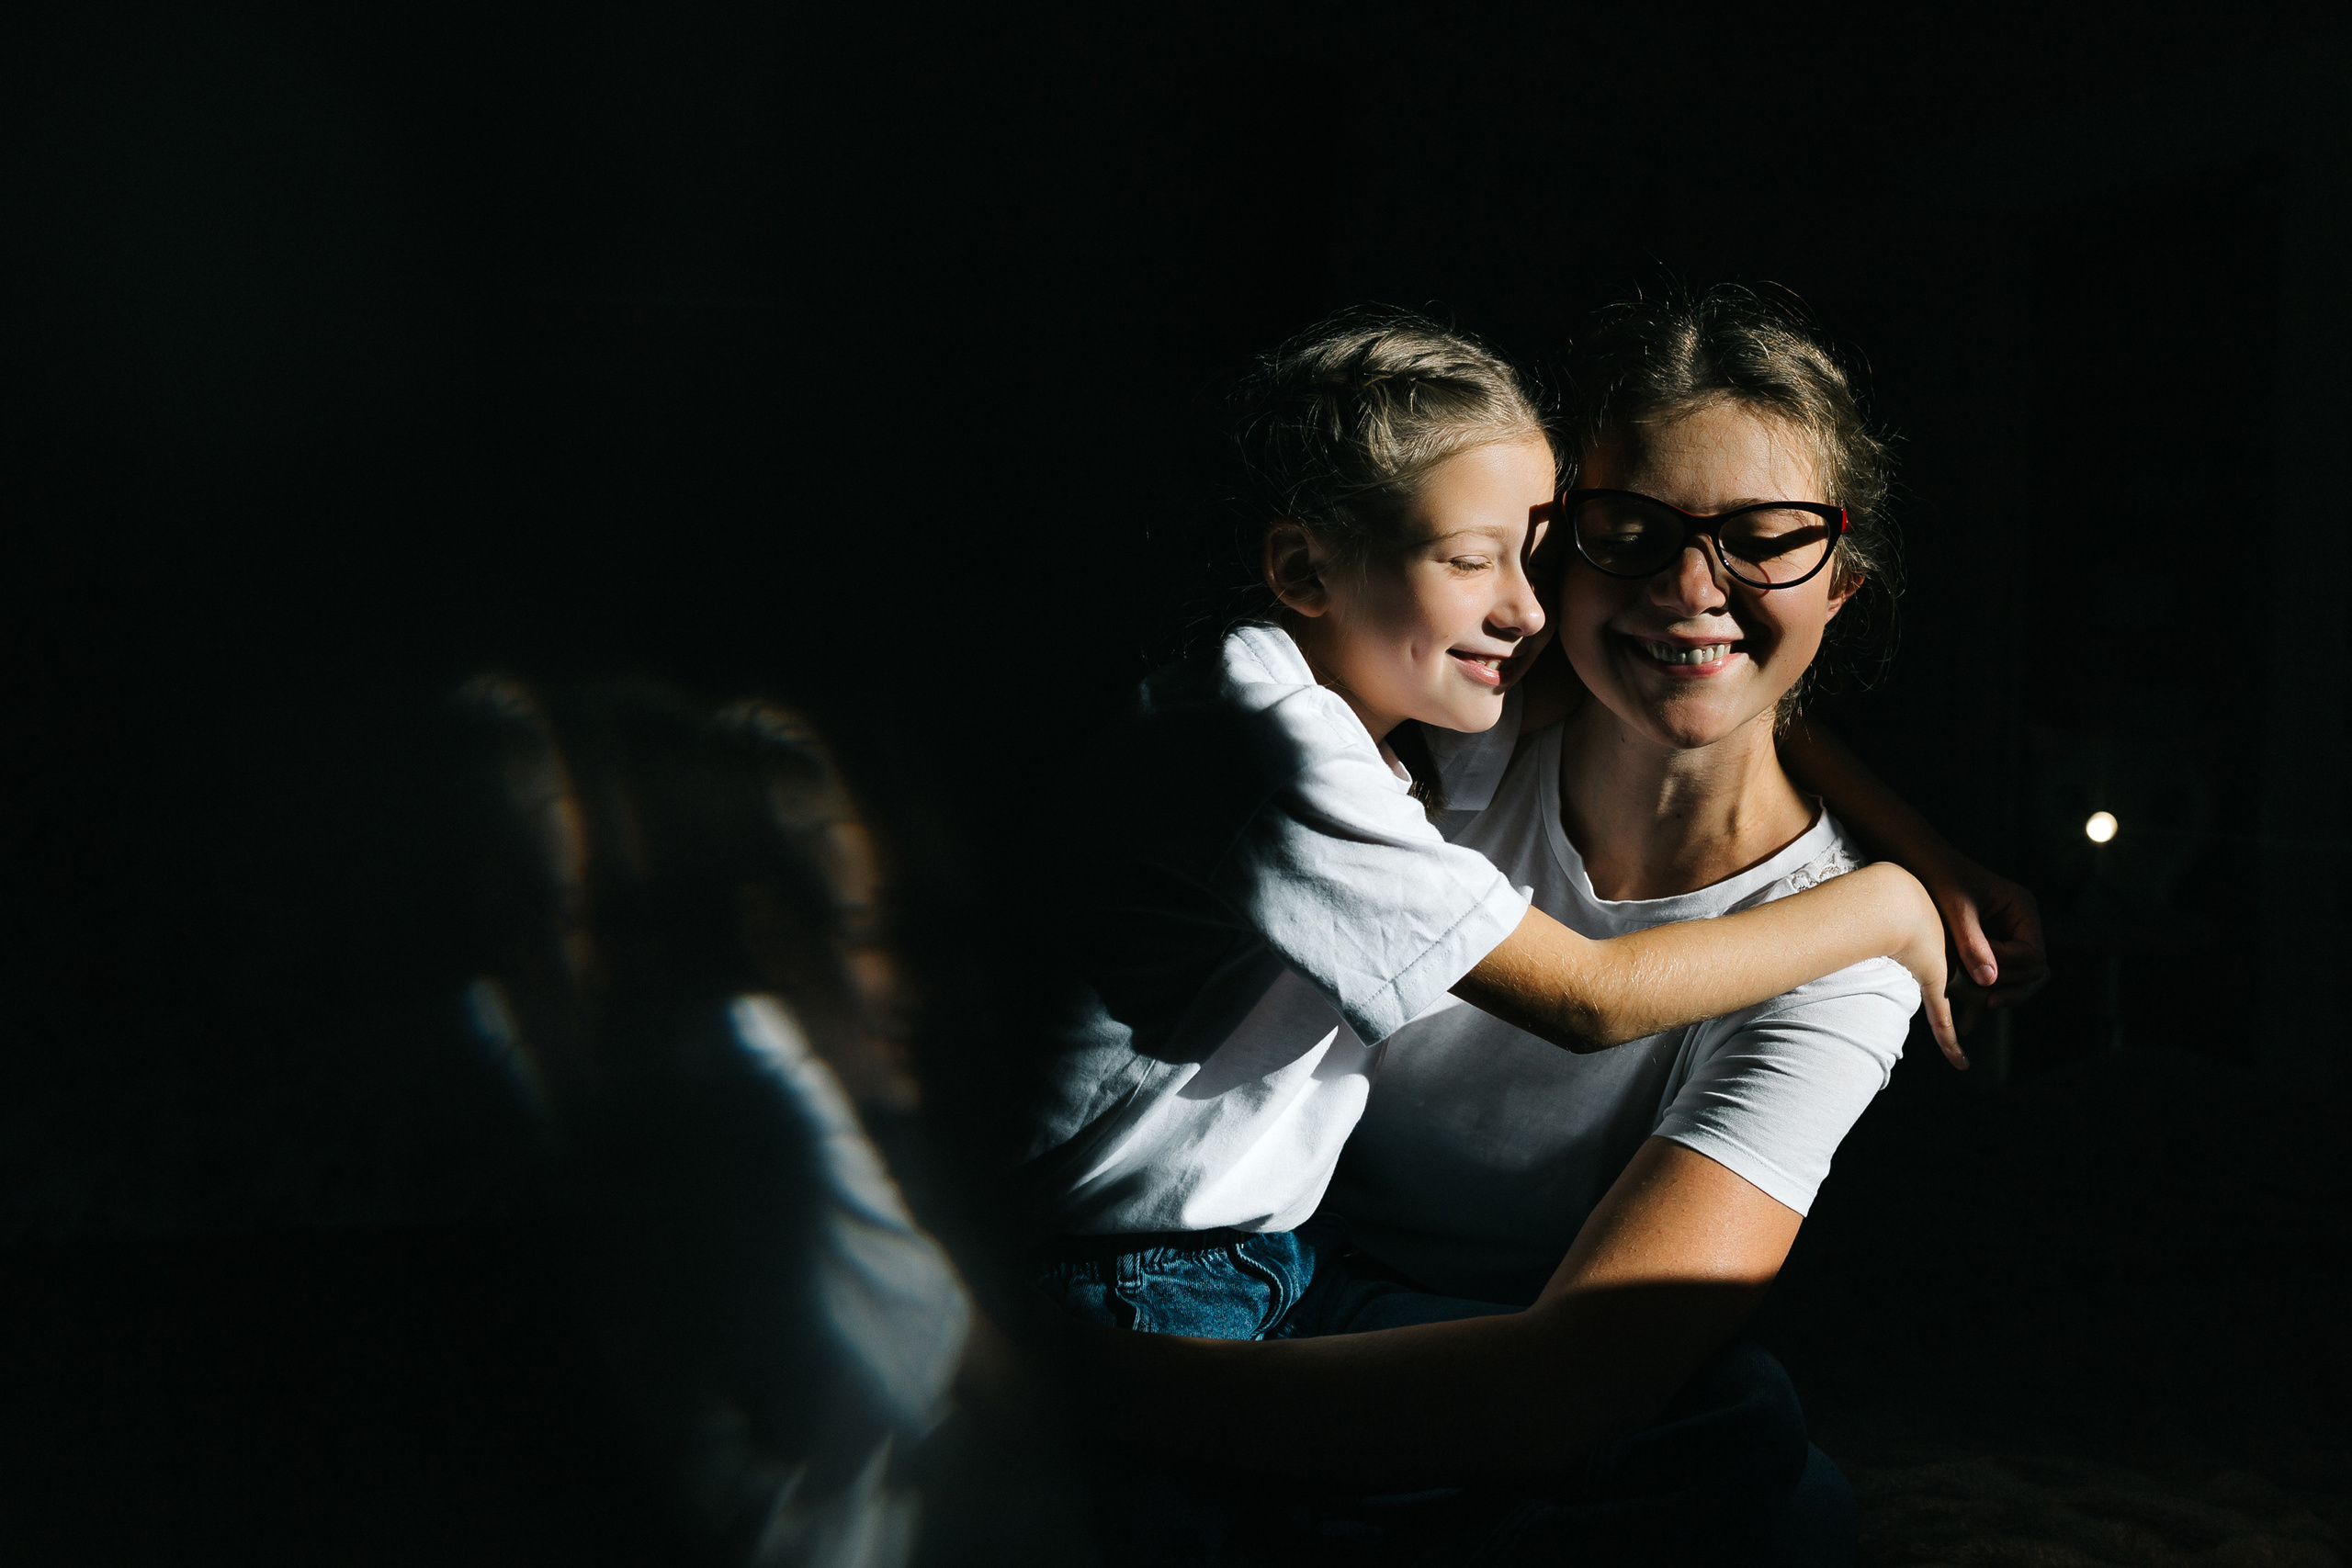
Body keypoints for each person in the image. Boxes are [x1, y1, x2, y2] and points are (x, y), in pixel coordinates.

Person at [1045, 290, 2047, 1564]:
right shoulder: (1448, 712)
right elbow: (1600, 962)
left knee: (1751, 1447)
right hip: (1220, 1262)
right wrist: (1900, 889)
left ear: (1842, 581)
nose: (1692, 588)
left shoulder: (1836, 962)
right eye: (1627, 534)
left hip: (1429, 1316)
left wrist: (1912, 857)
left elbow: (1569, 1379)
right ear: (1571, 556)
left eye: (1767, 540)